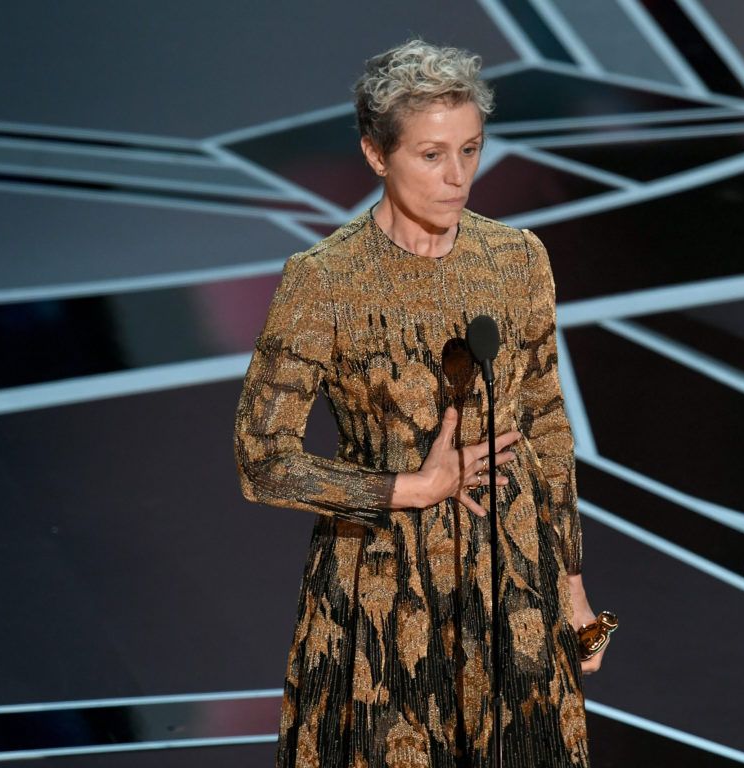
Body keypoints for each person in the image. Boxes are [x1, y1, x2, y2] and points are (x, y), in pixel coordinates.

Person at [234, 39, 605, 768]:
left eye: (470, 150)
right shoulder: (325, 280)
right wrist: (412, 487)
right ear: (377, 155)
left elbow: (547, 425)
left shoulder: (517, 258)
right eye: (431, 156)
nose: (458, 177)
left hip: (511, 580)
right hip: (382, 587)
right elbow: (262, 462)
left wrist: (572, 583)